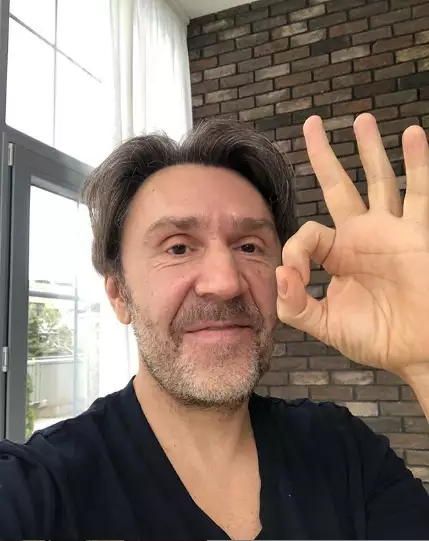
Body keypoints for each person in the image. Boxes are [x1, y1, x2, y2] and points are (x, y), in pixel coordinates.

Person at [0, 113, 429, 540]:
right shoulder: (41, 490)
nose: (225, 283)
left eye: (250, 246)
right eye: (178, 247)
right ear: (119, 294)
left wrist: (425, 361)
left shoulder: (343, 451)